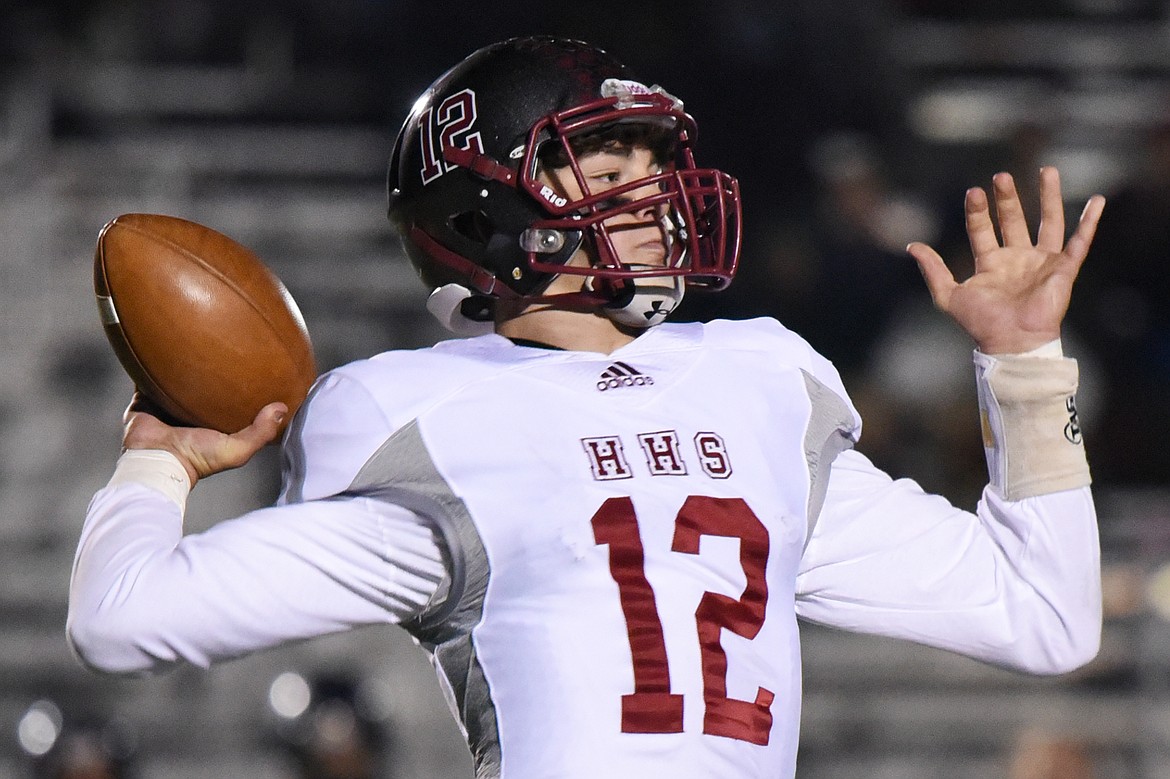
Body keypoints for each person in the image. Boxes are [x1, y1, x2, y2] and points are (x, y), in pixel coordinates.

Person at [67, 36, 1106, 779]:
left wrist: (1024, 365)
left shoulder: (754, 382)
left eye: (654, 168)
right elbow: (121, 622)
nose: (653, 198)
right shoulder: (424, 418)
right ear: (489, 212)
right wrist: (161, 454)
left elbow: (1045, 615)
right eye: (611, 171)